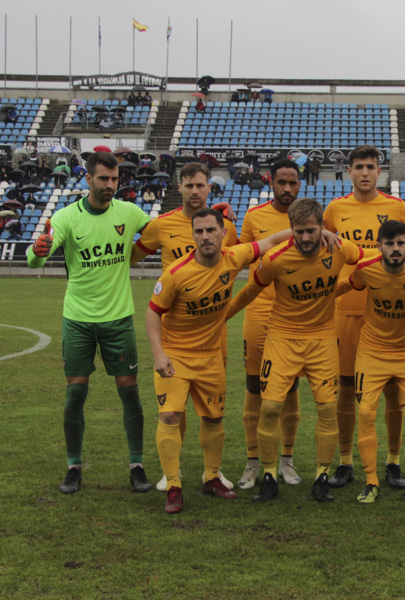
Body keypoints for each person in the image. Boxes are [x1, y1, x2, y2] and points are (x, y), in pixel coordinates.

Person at [146, 208, 306, 514]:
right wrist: (158, 353)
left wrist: (317, 232)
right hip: (176, 357)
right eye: (199, 232)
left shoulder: (234, 257)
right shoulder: (176, 274)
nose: (205, 237)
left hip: (209, 358)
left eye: (210, 230)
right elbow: (153, 311)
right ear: (193, 236)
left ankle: (211, 477)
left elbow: (272, 239)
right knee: (169, 416)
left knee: (213, 418)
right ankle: (174, 485)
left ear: (223, 233)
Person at [26, 151, 154, 496]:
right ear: (88, 179)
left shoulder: (129, 212)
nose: (110, 185)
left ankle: (137, 466)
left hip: (118, 319)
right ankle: (73, 466)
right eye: (103, 179)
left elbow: (160, 231)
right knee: (75, 393)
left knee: (130, 393)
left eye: (115, 180)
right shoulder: (67, 217)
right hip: (78, 320)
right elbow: (34, 258)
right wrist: (38, 249)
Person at [227, 198, 365, 503]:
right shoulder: (276, 258)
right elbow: (251, 289)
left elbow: (369, 257)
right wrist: (222, 317)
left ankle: (321, 477)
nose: (305, 237)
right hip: (282, 339)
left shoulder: (340, 249)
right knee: (271, 407)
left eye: (311, 230)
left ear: (323, 227)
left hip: (322, 341)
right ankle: (269, 475)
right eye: (299, 231)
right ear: (291, 230)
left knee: (328, 409)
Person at [131, 161, 239, 492]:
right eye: (189, 185)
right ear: (179, 187)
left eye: (200, 185)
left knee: (211, 407)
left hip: (212, 333)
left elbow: (230, 265)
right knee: (173, 408)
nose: (195, 190)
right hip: (175, 329)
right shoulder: (161, 225)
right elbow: (129, 257)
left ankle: (211, 472)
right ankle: (171, 471)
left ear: (210, 188)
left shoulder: (226, 226)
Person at [323, 145, 405, 490]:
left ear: (380, 171)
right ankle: (345, 461)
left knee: (393, 390)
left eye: (371, 166)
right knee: (346, 391)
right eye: (358, 166)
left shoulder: (398, 208)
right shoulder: (335, 209)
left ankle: (392, 461)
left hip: (389, 315)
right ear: (349, 171)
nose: (364, 172)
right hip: (346, 312)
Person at [339, 220, 405, 504]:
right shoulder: (366, 269)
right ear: (379, 246)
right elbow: (346, 285)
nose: (395, 249)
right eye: (389, 244)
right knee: (366, 413)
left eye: (401, 243)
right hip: (372, 353)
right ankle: (370, 481)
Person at [230, 159, 306, 490]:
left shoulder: (309, 217)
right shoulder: (254, 216)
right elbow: (240, 256)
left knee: (289, 389)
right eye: (281, 183)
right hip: (259, 315)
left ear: (300, 185)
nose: (287, 188)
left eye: (292, 183)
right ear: (271, 183)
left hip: (296, 316)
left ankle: (286, 460)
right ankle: (251, 462)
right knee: (254, 389)